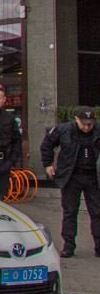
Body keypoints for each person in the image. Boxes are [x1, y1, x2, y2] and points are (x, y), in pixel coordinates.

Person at [40, 107, 100, 258]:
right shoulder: (64, 130)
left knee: (97, 212)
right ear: (77, 119)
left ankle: (99, 245)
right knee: (70, 212)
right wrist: (48, 164)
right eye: (84, 124)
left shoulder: (98, 130)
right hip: (71, 176)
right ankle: (69, 246)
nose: (87, 127)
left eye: (90, 124)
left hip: (93, 177)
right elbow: (47, 144)